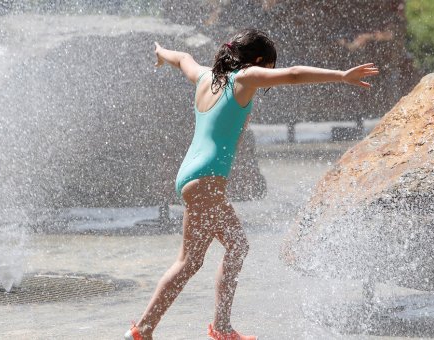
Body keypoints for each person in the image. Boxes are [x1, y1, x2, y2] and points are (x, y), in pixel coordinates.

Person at [125, 29, 378, 340]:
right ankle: (156, 329)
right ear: (257, 61)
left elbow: (182, 59)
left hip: (191, 176)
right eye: (268, 66)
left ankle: (199, 328)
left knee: (227, 249)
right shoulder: (243, 78)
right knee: (195, 260)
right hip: (206, 181)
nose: (268, 75)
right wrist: (341, 75)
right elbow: (295, 75)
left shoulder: (206, 78)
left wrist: (162, 53)